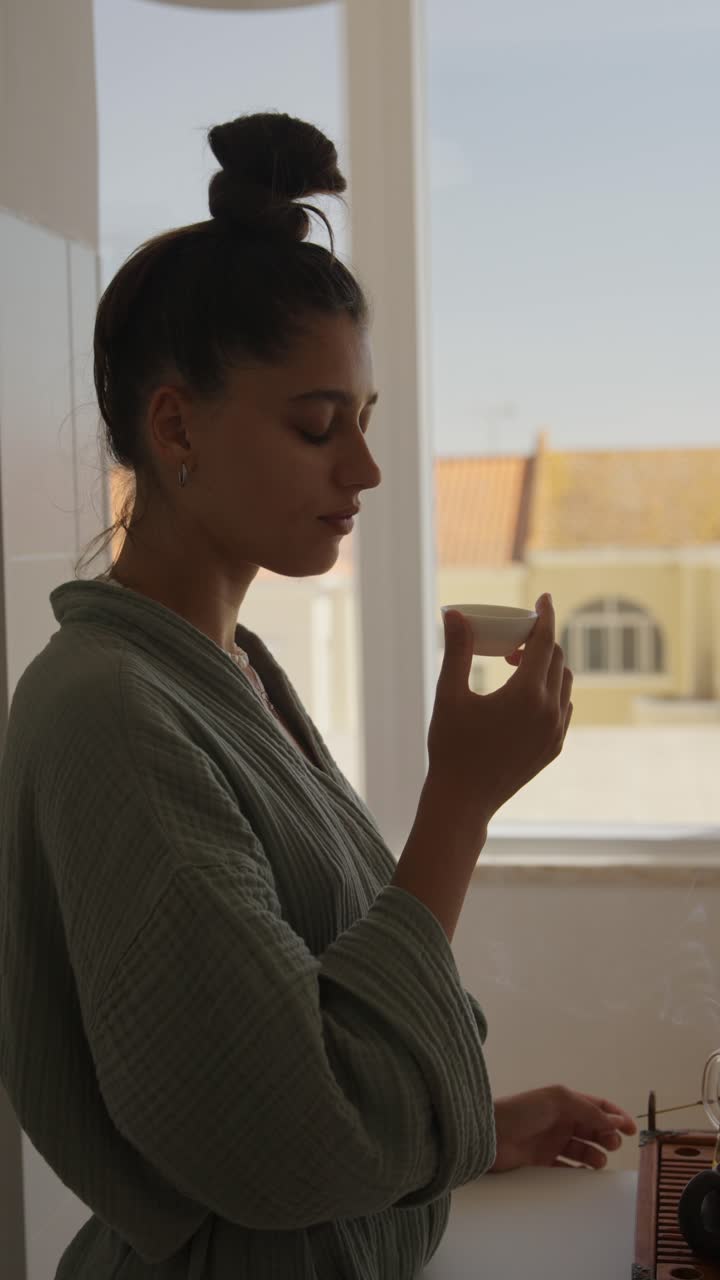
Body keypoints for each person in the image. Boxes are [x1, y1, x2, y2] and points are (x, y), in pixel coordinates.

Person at [0, 112, 635, 1280]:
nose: (366, 469)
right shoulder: (110, 714)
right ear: (176, 422)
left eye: (367, 421)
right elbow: (294, 1138)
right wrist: (462, 797)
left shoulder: (229, 675)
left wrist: (467, 1134)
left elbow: (283, 1039)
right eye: (316, 424)